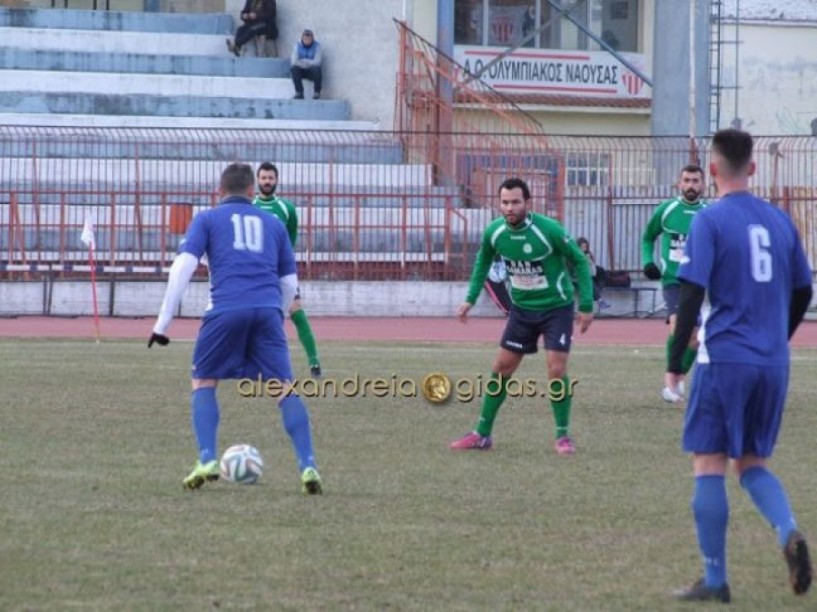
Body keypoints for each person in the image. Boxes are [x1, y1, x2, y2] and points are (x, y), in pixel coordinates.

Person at [668, 129, 813, 602]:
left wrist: (675, 361)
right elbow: (804, 289)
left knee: (709, 462)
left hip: (724, 357)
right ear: (752, 168)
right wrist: (777, 337)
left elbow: (690, 291)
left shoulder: (709, 220)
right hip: (773, 361)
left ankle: (715, 580)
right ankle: (787, 529)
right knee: (752, 463)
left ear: (712, 171)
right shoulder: (779, 220)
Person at [148, 162, 323, 496]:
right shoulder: (273, 223)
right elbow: (289, 282)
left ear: (219, 192)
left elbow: (182, 267)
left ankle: (207, 459)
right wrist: (278, 313)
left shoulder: (207, 219)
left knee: (203, 379)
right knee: (284, 388)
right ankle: (308, 464)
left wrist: (162, 323)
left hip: (225, 308)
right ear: (250, 191)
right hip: (269, 310)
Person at [450, 177, 594, 455]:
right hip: (523, 310)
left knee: (556, 368)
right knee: (502, 368)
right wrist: (469, 299)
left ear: (527, 203)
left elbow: (578, 260)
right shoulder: (494, 232)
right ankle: (482, 434)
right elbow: (482, 262)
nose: (509, 207)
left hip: (556, 308)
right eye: (504, 202)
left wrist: (586, 304)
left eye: (515, 202)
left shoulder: (548, 230)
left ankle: (562, 436)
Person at [641, 164, 707, 403]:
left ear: (703, 184)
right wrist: (648, 262)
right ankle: (671, 382)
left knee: (696, 338)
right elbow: (648, 237)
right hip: (673, 281)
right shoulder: (667, 209)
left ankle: (676, 379)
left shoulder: (709, 213)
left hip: (698, 282)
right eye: (687, 180)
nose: (691, 185)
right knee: (679, 326)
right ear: (680, 183)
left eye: (695, 181)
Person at [253, 161, 322, 378]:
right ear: (257, 180)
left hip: (280, 271)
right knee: (257, 317)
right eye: (263, 178)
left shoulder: (287, 209)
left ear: (276, 181)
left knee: (297, 312)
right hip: (256, 272)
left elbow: (289, 241)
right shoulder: (249, 207)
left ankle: (314, 362)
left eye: (270, 178)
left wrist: (282, 264)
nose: (266, 182)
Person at [575, 237, 609, 309]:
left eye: (585, 247)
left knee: (590, 280)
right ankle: (599, 300)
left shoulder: (588, 255)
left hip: (587, 278)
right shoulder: (574, 255)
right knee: (588, 282)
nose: (583, 249)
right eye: (581, 247)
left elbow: (593, 272)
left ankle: (599, 299)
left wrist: (589, 263)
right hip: (575, 279)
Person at [290, 29, 322, 100]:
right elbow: (294, 61)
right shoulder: (297, 46)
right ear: (302, 38)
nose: (307, 40)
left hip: (311, 71)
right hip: (301, 70)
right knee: (294, 69)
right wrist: (309, 62)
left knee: (317, 69)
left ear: (312, 39)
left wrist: (303, 61)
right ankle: (299, 92)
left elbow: (317, 61)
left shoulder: (317, 46)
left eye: (309, 39)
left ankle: (317, 92)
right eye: (305, 39)